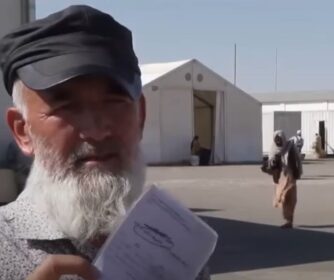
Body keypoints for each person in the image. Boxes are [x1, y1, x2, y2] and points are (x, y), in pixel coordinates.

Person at [0, 5, 209, 280]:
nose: (97, 131)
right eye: (66, 107)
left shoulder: (177, 243)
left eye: (115, 102)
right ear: (23, 131)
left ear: (141, 117)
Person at [268, 130, 302, 229]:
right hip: (281, 176)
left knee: (289, 197)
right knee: (281, 198)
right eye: (277, 141)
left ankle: (289, 221)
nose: (279, 143)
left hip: (290, 174)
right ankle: (288, 219)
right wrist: (273, 162)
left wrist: (299, 171)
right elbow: (270, 162)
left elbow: (298, 159)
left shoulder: (290, 146)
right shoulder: (274, 148)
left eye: (280, 141)